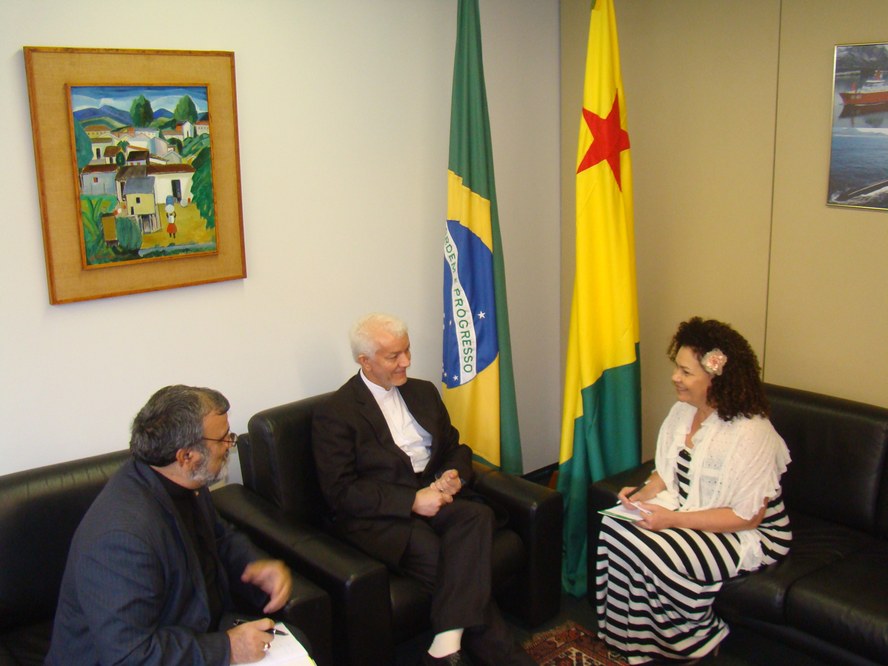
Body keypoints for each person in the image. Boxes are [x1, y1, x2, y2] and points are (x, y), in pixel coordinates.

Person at [311, 313, 534, 666]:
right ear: (365, 361)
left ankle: (444, 645)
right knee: (449, 565)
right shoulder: (335, 413)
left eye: (407, 350)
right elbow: (340, 492)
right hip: (385, 517)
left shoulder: (423, 391)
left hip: (437, 495)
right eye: (393, 356)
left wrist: (452, 475)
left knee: (478, 515)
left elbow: (455, 447)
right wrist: (412, 501)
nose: (406, 361)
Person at [46, 385, 306, 666]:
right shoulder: (122, 539)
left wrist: (253, 564)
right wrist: (228, 649)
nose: (229, 445)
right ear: (186, 456)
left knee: (299, 641)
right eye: (223, 439)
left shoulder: (185, 480)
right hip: (147, 654)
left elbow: (218, 536)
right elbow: (129, 655)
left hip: (194, 627)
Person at [594, 317, 792, 664]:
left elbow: (748, 517)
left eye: (686, 372)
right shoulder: (683, 412)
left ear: (716, 378)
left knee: (653, 548)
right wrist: (645, 491)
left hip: (751, 532)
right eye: (677, 368)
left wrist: (671, 520)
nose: (675, 377)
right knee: (614, 526)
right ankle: (633, 641)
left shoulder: (752, 433)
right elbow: (670, 468)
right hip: (692, 507)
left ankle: (695, 641)